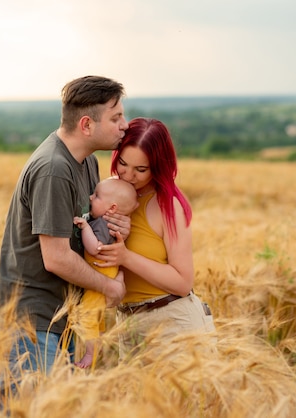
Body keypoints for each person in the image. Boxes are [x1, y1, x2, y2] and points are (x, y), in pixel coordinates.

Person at [0, 76, 131, 393]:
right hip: (29, 321)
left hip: (62, 319)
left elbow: (89, 233)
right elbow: (57, 258)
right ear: (87, 125)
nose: (124, 125)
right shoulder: (53, 168)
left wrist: (119, 228)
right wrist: (110, 287)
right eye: (116, 117)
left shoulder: (87, 162)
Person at [97, 117, 216, 361]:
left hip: (172, 324)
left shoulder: (168, 205)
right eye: (123, 163)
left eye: (141, 169)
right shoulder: (107, 195)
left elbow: (183, 282)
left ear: (158, 167)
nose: (128, 175)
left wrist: (126, 257)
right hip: (126, 323)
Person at [71, 178, 138, 369]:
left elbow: (95, 248)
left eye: (97, 196)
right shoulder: (106, 223)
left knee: (86, 316)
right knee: (96, 318)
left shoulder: (101, 224)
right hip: (106, 274)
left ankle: (91, 354)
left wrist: (84, 227)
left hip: (99, 277)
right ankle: (96, 346)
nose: (91, 197)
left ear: (112, 208)